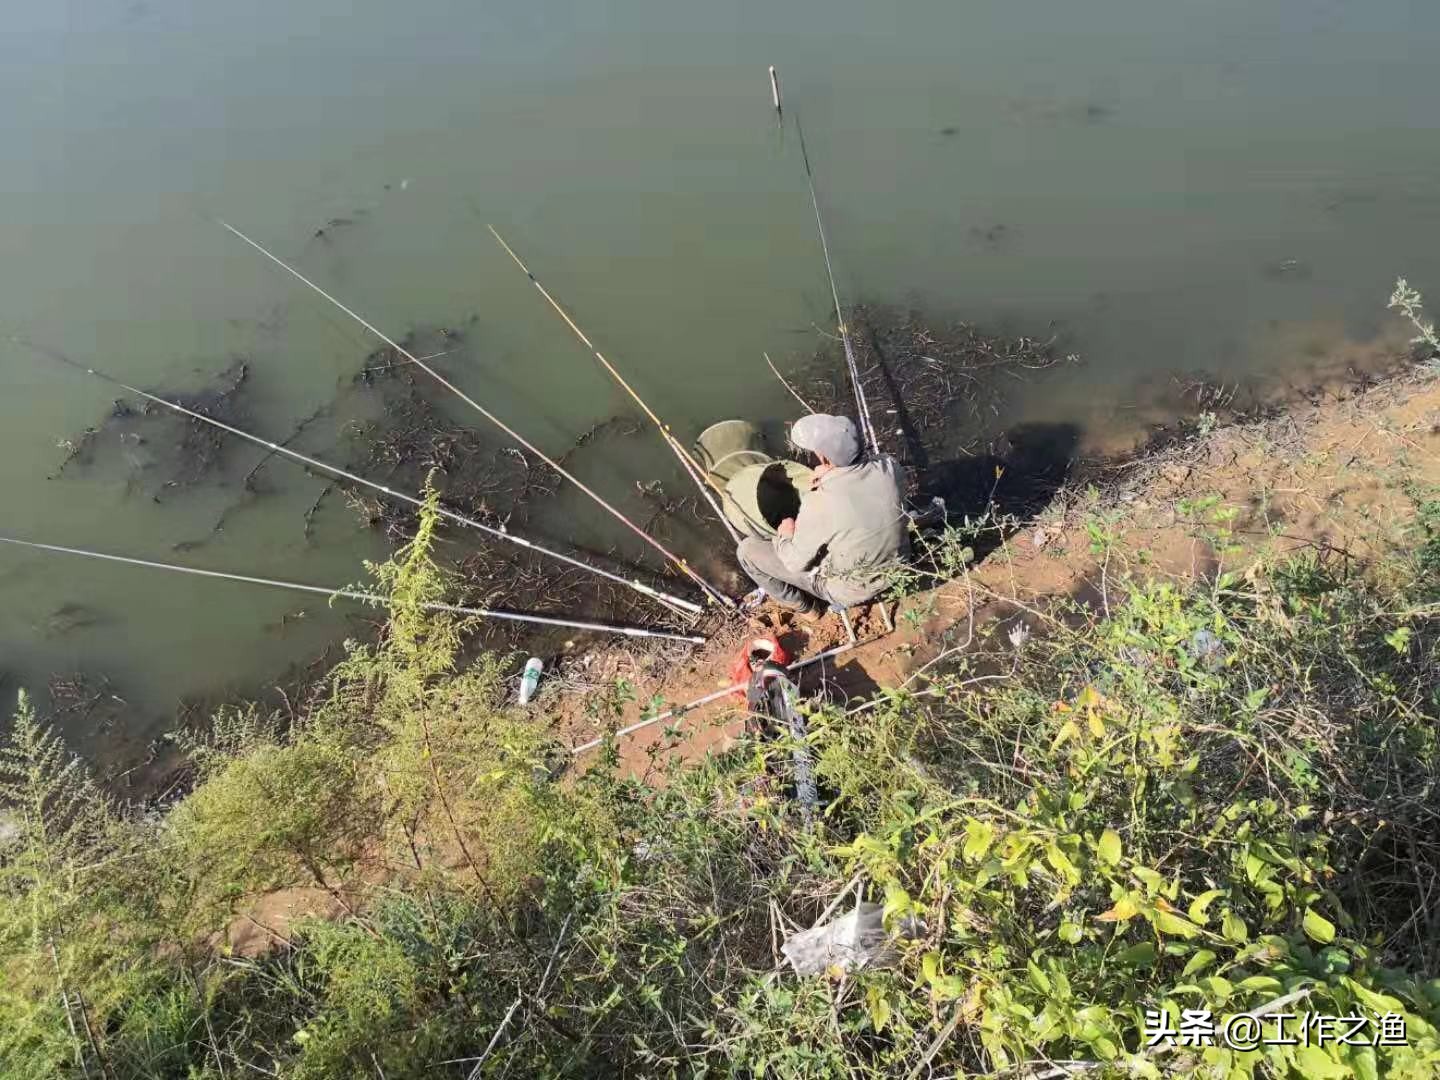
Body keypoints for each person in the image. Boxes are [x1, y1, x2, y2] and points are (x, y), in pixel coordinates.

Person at [735, 413, 908, 617]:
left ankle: (807, 608)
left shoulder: (819, 502)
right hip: (900, 567)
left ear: (825, 458)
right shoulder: (890, 466)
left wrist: (785, 534)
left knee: (747, 551)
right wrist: (832, 474)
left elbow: (793, 562)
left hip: (852, 589)